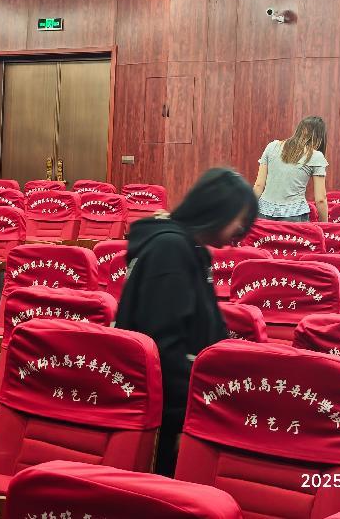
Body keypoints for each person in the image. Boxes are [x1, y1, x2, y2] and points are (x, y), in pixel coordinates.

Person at [115, 168, 258, 476]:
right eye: (240, 219)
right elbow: (163, 346)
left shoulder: (188, 248)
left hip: (185, 407)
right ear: (217, 210)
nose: (241, 231)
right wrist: (185, 420)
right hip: (168, 417)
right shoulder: (171, 250)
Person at [253, 116, 328, 223]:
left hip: (263, 213)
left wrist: (247, 211)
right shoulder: (316, 156)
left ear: (299, 130)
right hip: (295, 215)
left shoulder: (272, 146)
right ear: (320, 137)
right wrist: (325, 226)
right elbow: (320, 199)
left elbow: (258, 185)